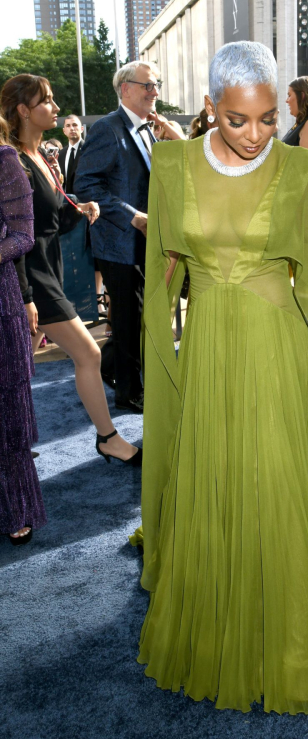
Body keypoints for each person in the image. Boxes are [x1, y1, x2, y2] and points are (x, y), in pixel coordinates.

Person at [132, 40, 308, 714]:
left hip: (276, 348)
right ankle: (211, 636)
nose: (257, 135)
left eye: (269, 118)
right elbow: (163, 278)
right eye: (238, 120)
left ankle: (286, 649)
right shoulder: (172, 166)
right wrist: (166, 359)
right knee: (211, 476)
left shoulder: (304, 171)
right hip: (207, 349)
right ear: (210, 108)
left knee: (273, 480)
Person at [0, 74, 141, 466]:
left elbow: (52, 223)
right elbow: (16, 236)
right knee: (88, 354)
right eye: (47, 101)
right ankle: (109, 438)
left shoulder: (39, 158)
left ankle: (14, 440)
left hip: (45, 272)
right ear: (25, 110)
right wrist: (26, 297)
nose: (57, 108)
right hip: (30, 280)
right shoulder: (13, 161)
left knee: (16, 371)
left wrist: (81, 210)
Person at [75, 61, 161, 412]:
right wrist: (133, 216)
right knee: (127, 320)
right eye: (148, 85)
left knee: (135, 317)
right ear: (125, 88)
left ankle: (112, 368)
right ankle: (128, 392)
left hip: (144, 243)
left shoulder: (148, 129)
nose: (155, 92)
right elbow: (85, 185)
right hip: (119, 244)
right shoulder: (108, 129)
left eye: (157, 85)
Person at [0, 115, 46, 545]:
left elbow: (23, 236)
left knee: (8, 416)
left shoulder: (4, 160)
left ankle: (16, 505)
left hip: (1, 301)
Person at [58, 114, 84, 194]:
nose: (72, 128)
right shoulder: (60, 154)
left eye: (75, 125)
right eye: (68, 126)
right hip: (65, 201)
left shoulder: (90, 150)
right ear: (64, 131)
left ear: (82, 129)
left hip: (85, 201)